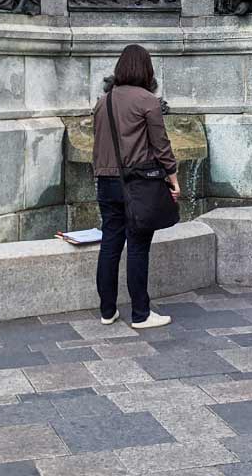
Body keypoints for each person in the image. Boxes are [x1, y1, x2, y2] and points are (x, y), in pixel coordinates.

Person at [91, 44, 178, 330]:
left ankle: (107, 310)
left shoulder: (104, 101)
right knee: (138, 247)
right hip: (138, 182)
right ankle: (140, 314)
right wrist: (172, 176)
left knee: (110, 244)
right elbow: (160, 144)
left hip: (106, 181)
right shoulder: (147, 101)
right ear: (146, 69)